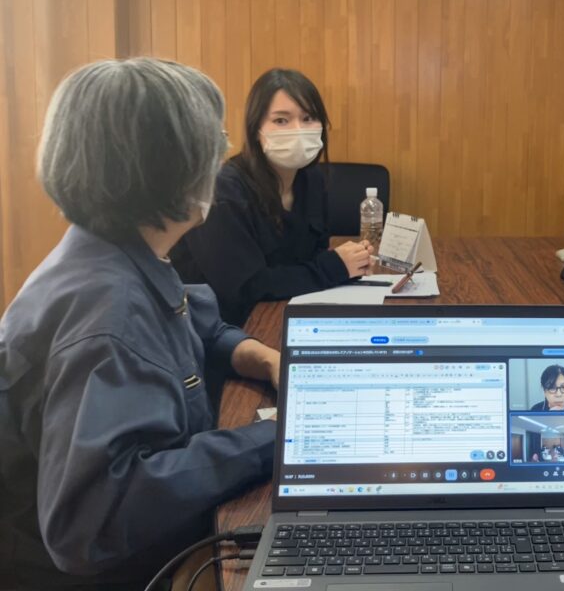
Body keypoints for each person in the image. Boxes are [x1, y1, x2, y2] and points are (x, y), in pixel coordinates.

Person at [0, 59, 281, 590]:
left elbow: (195, 326)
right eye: (213, 144)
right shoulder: (109, 311)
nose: (220, 160)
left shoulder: (113, 253)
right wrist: (271, 440)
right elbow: (92, 522)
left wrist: (263, 357)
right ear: (170, 170)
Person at [171, 68, 372, 325]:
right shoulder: (222, 191)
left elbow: (314, 255)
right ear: (256, 129)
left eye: (308, 118)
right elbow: (246, 287)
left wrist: (350, 262)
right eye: (281, 120)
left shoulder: (312, 179)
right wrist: (334, 267)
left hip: (290, 310)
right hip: (223, 329)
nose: (298, 130)